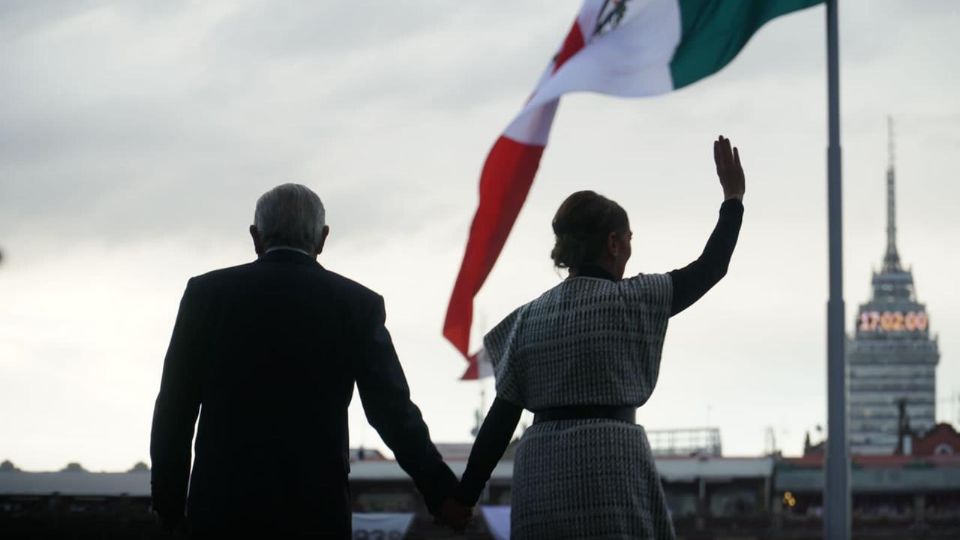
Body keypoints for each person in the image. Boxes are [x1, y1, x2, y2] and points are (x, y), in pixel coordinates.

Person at [455, 136, 746, 539]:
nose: (629, 249)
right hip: (612, 466)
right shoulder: (636, 299)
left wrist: (464, 496)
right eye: (628, 239)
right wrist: (733, 199)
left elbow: (500, 422)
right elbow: (712, 266)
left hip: (539, 475)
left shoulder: (525, 320)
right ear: (612, 243)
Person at [150, 184, 470, 537]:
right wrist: (441, 492)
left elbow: (175, 408)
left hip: (221, 505)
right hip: (315, 507)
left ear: (255, 237)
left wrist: (168, 505)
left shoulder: (206, 295)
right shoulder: (357, 305)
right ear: (323, 238)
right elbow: (392, 411)